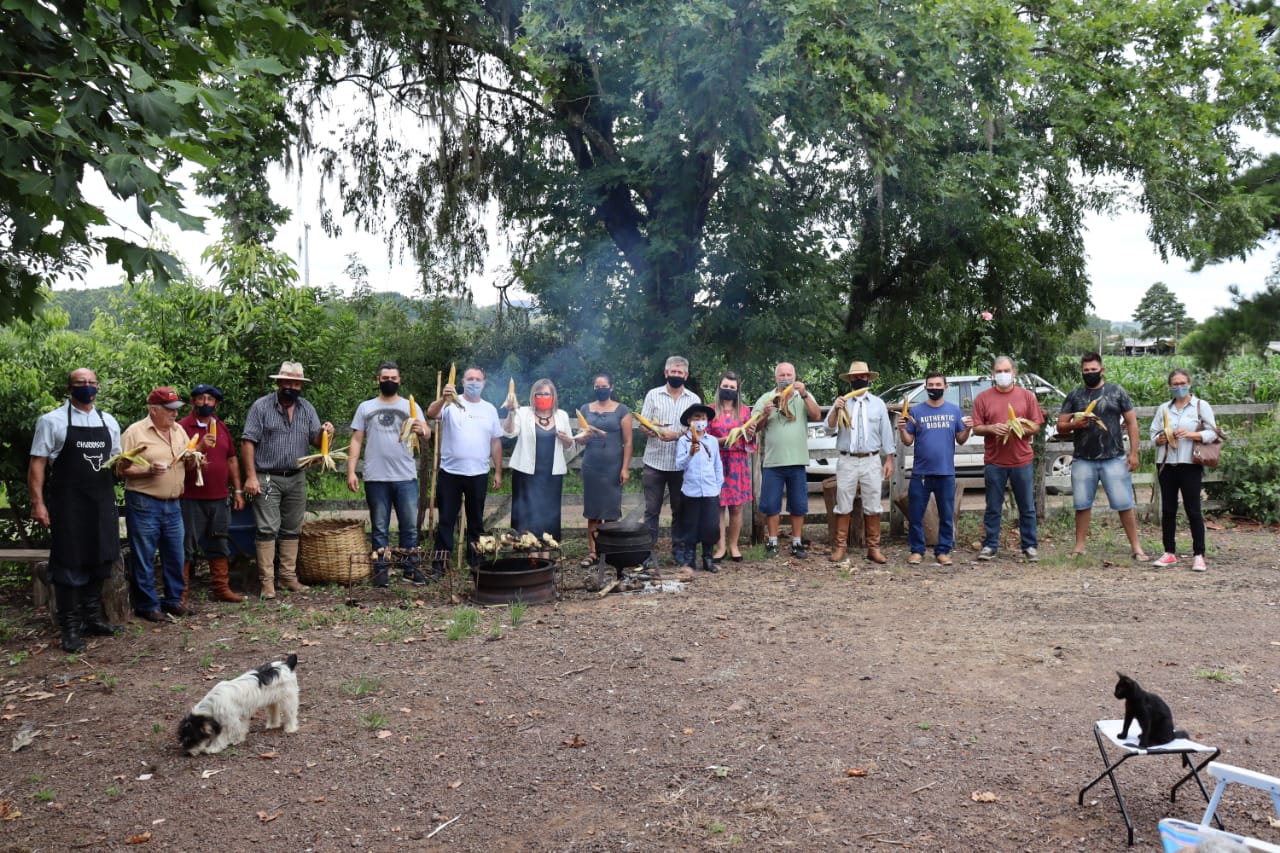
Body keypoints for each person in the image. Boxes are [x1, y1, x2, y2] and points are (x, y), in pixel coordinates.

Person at [28, 368, 124, 652]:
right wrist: (38, 503)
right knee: (69, 563)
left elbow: (117, 462)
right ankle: (70, 627)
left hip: (102, 502)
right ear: (70, 388)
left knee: (100, 559)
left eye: (92, 382)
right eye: (81, 383)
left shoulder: (108, 421)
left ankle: (92, 618)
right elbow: (37, 464)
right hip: (68, 504)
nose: (87, 387)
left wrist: (131, 464)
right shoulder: (52, 421)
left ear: (98, 388)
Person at [241, 361, 336, 598]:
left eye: (296, 383)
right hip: (267, 476)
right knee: (267, 528)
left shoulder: (306, 409)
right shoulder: (261, 407)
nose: (291, 387)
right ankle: (267, 582)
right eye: (287, 382)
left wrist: (327, 432)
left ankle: (288, 577)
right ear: (278, 382)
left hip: (296, 476)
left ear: (301, 386)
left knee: (292, 528)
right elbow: (247, 442)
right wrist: (251, 477)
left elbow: (317, 441)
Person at [1056, 352, 1149, 561]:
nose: (1090, 373)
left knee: (1124, 503)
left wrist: (1134, 453)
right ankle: (1079, 546)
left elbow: (1132, 422)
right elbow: (1060, 426)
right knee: (1081, 504)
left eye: (1093, 370)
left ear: (1102, 370)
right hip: (1083, 459)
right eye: (1086, 370)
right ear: (1082, 372)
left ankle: (1136, 547)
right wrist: (1074, 425)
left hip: (1113, 457)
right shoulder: (1075, 396)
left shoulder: (1116, 392)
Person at [347, 362, 431, 586]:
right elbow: (356, 440)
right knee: (380, 527)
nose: (390, 381)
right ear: (377, 380)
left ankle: (410, 568)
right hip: (375, 476)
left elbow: (427, 432)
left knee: (410, 526)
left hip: (405, 475)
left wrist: (421, 430)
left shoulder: (409, 406)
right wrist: (350, 471)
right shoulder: (365, 407)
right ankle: (380, 571)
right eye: (385, 378)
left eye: (394, 378)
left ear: (399, 380)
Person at [120, 387, 195, 622]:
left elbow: (186, 466)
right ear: (153, 410)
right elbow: (120, 469)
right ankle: (148, 604)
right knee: (144, 555)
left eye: (176, 409)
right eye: (169, 409)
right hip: (144, 502)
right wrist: (148, 470)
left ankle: (173, 601)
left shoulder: (179, 430)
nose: (174, 414)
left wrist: (193, 460)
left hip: (173, 503)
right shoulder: (135, 432)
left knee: (175, 554)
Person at [427, 366, 504, 572]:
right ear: (462, 383)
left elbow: (495, 442)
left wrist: (498, 470)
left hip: (478, 473)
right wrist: (444, 398)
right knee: (446, 519)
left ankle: (476, 559)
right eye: (470, 379)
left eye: (478, 379)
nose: (474, 382)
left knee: (476, 520)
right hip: (450, 473)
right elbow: (431, 413)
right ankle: (440, 562)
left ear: (484, 383)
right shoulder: (451, 404)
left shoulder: (489, 409)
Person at [971, 357, 1043, 562]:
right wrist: (992, 428)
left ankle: (1029, 546)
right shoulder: (983, 398)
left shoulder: (1027, 396)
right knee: (993, 506)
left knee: (1027, 506)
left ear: (1014, 372)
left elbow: (1036, 425)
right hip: (995, 461)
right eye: (998, 371)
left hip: (1022, 460)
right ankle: (990, 545)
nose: (1003, 374)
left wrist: (1019, 426)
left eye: (1006, 370)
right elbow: (977, 427)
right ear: (993, 374)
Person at [179, 384, 246, 604]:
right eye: (201, 399)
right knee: (186, 544)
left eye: (210, 399)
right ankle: (181, 593)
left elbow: (232, 459)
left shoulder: (222, 428)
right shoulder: (182, 428)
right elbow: (178, 462)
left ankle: (221, 588)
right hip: (190, 496)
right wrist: (200, 447)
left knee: (219, 542)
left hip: (219, 496)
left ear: (216, 403)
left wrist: (237, 490)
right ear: (192, 402)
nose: (205, 403)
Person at [825, 360, 896, 563]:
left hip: (871, 459)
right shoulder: (841, 402)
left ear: (868, 378)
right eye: (855, 377)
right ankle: (840, 547)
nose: (859, 379)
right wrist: (835, 411)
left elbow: (886, 433)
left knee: (873, 503)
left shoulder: (878, 404)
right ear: (850, 380)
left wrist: (889, 458)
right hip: (847, 459)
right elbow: (828, 428)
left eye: (862, 376)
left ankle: (873, 548)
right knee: (843, 503)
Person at [898, 373, 972, 565]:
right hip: (921, 472)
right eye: (930, 384)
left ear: (945, 387)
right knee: (916, 515)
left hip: (945, 472)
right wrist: (901, 429)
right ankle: (917, 550)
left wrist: (969, 428)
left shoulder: (954, 411)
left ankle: (943, 551)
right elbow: (908, 442)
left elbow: (961, 440)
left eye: (938, 384)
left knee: (946, 515)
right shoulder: (916, 412)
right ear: (925, 387)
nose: (934, 387)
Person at [751, 362, 822, 558]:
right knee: (771, 505)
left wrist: (806, 394)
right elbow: (753, 428)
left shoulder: (802, 396)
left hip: (797, 460)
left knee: (798, 505)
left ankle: (797, 542)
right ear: (775, 377)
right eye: (781, 374)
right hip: (773, 462)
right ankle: (772, 542)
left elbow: (816, 415)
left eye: (789, 374)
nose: (785, 378)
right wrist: (765, 414)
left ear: (795, 375)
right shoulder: (766, 398)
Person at [1150, 368, 1217, 572]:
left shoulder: (1200, 406)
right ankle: (1169, 552)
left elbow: (1212, 433)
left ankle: (1199, 554)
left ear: (1189, 384)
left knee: (1193, 509)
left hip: (1190, 463)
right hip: (1167, 463)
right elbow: (1152, 433)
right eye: (1175, 384)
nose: (1179, 387)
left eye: (1182, 383)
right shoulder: (1163, 408)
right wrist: (1160, 438)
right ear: (1170, 386)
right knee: (1168, 510)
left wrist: (1191, 434)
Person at [637, 356, 701, 565]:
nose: (676, 375)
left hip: (681, 464)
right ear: (666, 373)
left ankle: (679, 552)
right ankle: (647, 553)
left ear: (686, 375)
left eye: (680, 373)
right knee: (651, 510)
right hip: (654, 461)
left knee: (680, 509)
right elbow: (643, 424)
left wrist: (678, 435)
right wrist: (650, 430)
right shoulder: (653, 395)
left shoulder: (693, 400)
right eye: (672, 372)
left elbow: (696, 429)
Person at [503, 378, 576, 541]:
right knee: (526, 516)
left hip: (551, 476)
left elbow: (569, 447)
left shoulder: (561, 415)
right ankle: (530, 554)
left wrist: (567, 440)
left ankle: (547, 554)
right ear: (533, 396)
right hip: (526, 475)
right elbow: (509, 433)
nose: (543, 397)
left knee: (549, 515)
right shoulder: (523, 413)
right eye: (539, 394)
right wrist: (510, 412)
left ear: (553, 396)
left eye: (547, 394)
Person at [576, 372, 632, 565]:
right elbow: (580, 438)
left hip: (613, 468)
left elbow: (628, 441)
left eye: (604, 386)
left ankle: (610, 551)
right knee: (592, 512)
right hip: (591, 466)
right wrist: (583, 437)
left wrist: (625, 468)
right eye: (597, 387)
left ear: (612, 388)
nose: (601, 390)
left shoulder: (622, 410)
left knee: (610, 513)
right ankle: (593, 552)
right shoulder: (585, 409)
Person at [706, 371, 755, 564]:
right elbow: (705, 438)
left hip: (737, 462)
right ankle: (720, 547)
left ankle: (734, 545)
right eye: (725, 386)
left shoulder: (744, 411)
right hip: (716, 462)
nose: (728, 390)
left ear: (737, 390)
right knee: (718, 507)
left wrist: (750, 433)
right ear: (719, 387)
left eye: (732, 388)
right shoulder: (710, 410)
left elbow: (750, 439)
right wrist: (723, 440)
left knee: (736, 507)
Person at [675, 404, 724, 572]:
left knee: (710, 525)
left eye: (703, 418)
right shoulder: (683, 441)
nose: (700, 421)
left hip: (710, 490)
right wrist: (690, 453)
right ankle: (689, 559)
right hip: (691, 490)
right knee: (690, 525)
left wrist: (717, 486)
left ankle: (708, 558)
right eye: (696, 418)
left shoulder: (712, 442)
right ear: (689, 421)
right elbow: (679, 464)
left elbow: (717, 465)